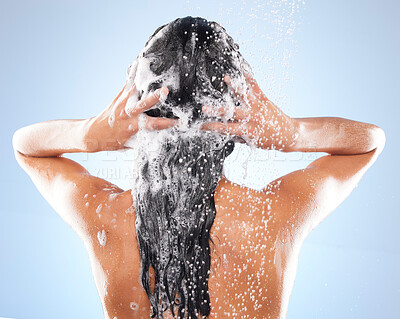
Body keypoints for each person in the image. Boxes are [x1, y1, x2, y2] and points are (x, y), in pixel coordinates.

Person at [13, 17, 385, 319]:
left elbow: (26, 149)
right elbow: (368, 143)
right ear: (233, 113)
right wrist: (292, 133)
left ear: (144, 108)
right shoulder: (273, 216)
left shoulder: (106, 216)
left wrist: (92, 134)